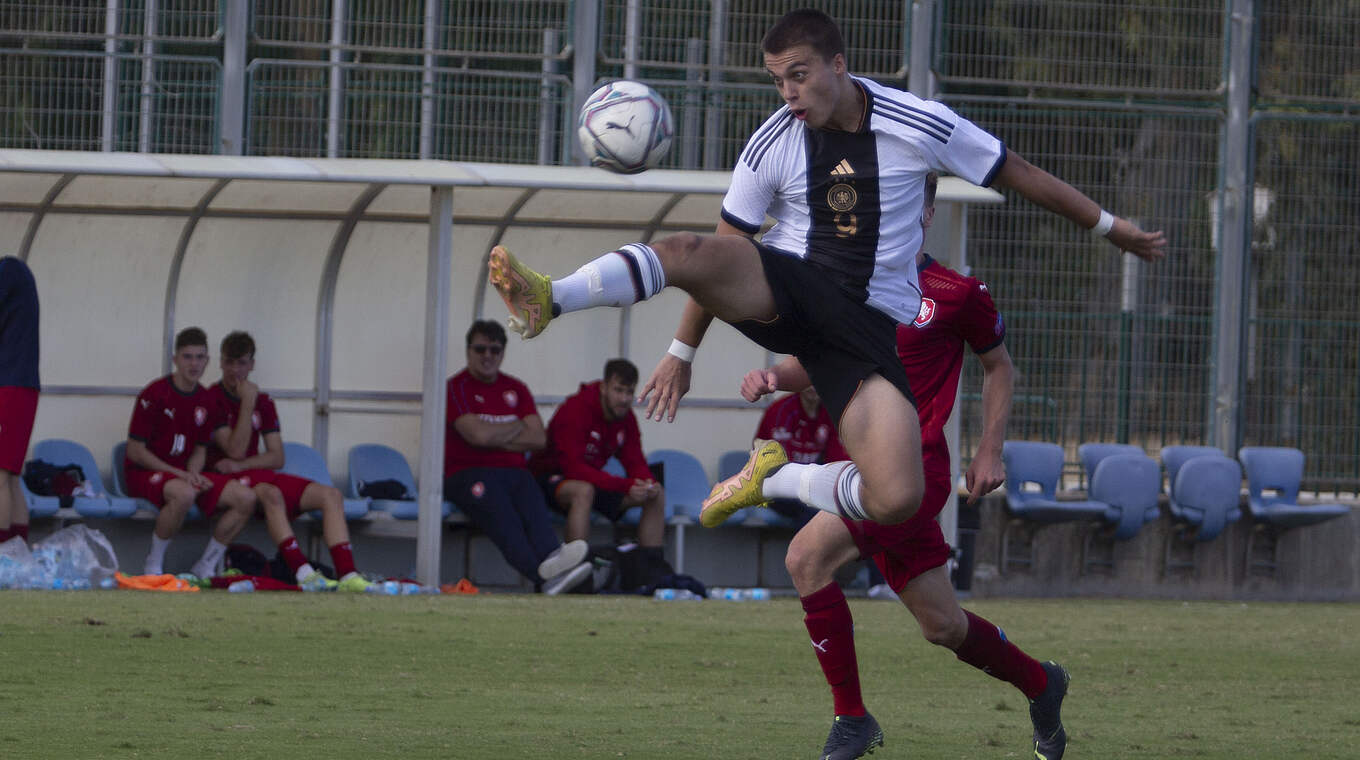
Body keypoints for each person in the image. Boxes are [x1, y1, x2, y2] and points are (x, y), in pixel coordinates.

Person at [487, 8, 1160, 754]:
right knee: (685, 248)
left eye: (799, 76)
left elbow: (1020, 176)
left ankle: (787, 483)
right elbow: (720, 258)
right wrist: (680, 352)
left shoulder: (919, 128)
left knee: (910, 532)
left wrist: (1110, 228)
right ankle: (553, 296)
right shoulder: (773, 143)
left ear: (840, 64)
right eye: (777, 81)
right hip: (795, 290)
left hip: (863, 339)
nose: (789, 94)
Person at [742, 172, 1065, 759]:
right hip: (860, 461)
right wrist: (775, 377)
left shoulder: (956, 292)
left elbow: (999, 367)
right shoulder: (849, 286)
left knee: (806, 557)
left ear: (926, 214)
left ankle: (852, 719)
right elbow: (818, 360)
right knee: (942, 625)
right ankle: (1042, 683)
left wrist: (989, 449)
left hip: (918, 468)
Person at [203, 331, 371, 591]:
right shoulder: (212, 398)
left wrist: (243, 465)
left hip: (249, 472)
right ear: (221, 363)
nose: (235, 370)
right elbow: (234, 450)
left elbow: (276, 456)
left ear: (252, 364)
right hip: (225, 479)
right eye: (230, 363)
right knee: (271, 494)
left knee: (331, 495)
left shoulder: (265, 402)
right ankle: (304, 573)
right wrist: (247, 403)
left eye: (242, 363)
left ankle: (349, 576)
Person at [443, 320, 592, 594]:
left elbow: (538, 439)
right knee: (505, 520)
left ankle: (553, 562)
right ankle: (544, 579)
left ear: (502, 353)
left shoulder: (516, 388)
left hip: (515, 473)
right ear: (468, 351)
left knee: (532, 500)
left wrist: (492, 436)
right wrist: (516, 426)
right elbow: (477, 436)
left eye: (494, 350)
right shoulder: (456, 388)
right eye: (480, 349)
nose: (487, 356)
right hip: (468, 474)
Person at [124, 327, 258, 578]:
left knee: (246, 498)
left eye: (199, 357)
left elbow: (200, 449)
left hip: (182, 475)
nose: (194, 363)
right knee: (184, 493)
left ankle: (205, 566)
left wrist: (193, 472)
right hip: (146, 472)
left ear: (208, 361)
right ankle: (153, 566)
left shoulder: (206, 399)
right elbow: (135, 451)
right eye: (187, 357)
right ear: (175, 360)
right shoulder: (154, 394)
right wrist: (180, 474)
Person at [530, 358, 667, 559]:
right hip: (548, 479)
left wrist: (645, 483)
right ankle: (573, 571)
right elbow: (573, 469)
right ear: (603, 388)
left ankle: (650, 569)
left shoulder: (626, 418)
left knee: (656, 493)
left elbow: (635, 461)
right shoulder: (575, 409)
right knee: (583, 491)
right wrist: (626, 485)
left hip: (593, 481)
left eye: (629, 392)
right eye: (618, 390)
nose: (624, 399)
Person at [753, 385, 848, 529]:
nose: (812, 385)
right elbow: (779, 468)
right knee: (813, 511)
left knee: (843, 506)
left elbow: (835, 459)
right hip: (770, 482)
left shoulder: (830, 412)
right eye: (807, 379)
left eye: (817, 379)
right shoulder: (781, 411)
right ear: (798, 383)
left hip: (806, 482)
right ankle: (805, 551)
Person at [0, 257, 39, 547]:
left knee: (1, 474)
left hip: (10, 385)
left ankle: (3, 553)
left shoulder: (9, 269)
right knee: (11, 476)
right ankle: (18, 552)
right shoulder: (15, 270)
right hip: (20, 386)